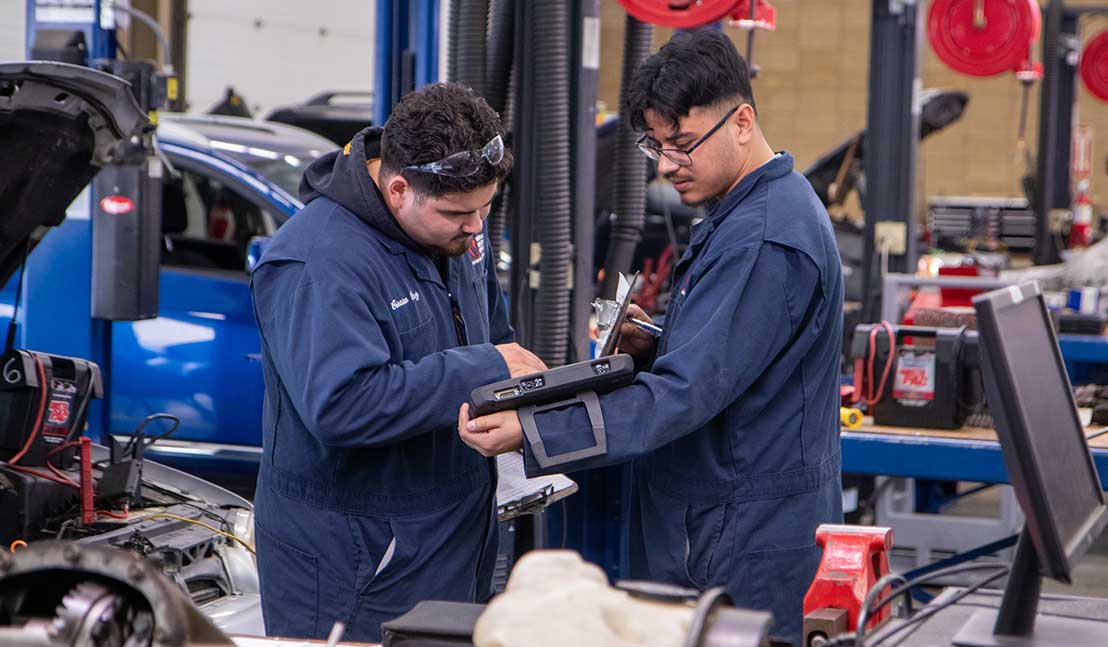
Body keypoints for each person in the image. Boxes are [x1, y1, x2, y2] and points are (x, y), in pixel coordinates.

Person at [458, 30, 844, 644]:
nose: (665, 165)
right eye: (655, 145)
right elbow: (731, 362)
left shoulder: (765, 239)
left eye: (683, 145)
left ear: (742, 121)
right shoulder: (742, 212)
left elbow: (685, 394)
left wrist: (535, 432)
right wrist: (659, 342)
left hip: (737, 541)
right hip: (721, 519)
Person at [250, 82, 545, 642]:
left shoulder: (453, 238)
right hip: (356, 565)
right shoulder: (317, 262)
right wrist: (482, 370)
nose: (476, 226)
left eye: (486, 207)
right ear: (399, 188)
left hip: (449, 542)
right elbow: (342, 405)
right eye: (459, 212)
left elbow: (494, 338)